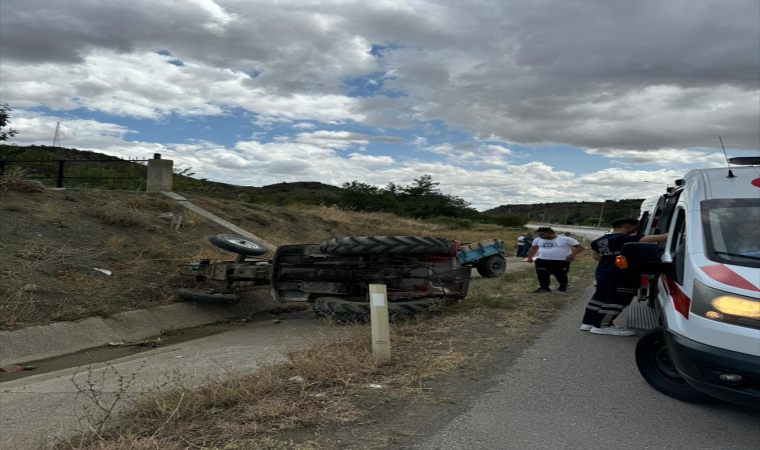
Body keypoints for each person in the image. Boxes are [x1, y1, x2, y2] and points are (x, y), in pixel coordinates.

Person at [581, 218, 668, 336]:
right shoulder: (626, 239)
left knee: (599, 297)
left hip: (603, 271)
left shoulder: (599, 240)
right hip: (621, 274)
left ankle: (588, 323)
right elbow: (660, 238)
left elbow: (595, 256)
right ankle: (602, 326)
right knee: (617, 300)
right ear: (627, 226)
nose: (637, 229)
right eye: (636, 227)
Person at [526, 227, 584, 292]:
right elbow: (533, 248)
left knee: (560, 274)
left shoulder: (566, 239)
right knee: (542, 274)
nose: (540, 236)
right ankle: (544, 287)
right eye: (538, 234)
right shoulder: (537, 240)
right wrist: (530, 257)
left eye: (542, 234)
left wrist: (572, 255)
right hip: (542, 259)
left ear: (550, 233)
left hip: (560, 260)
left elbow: (579, 247)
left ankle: (563, 286)